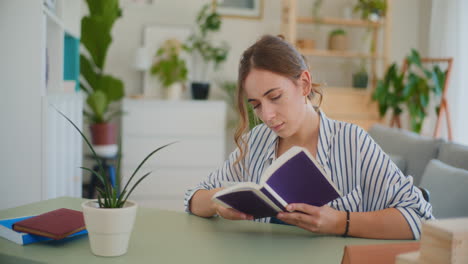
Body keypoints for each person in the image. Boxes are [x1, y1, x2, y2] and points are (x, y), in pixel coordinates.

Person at [184, 35, 433, 240]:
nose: (267, 115)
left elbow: (419, 218)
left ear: (304, 84)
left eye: (275, 97)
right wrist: (217, 204)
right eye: (256, 104)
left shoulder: (352, 142)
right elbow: (194, 197)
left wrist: (339, 222)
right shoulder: (256, 141)